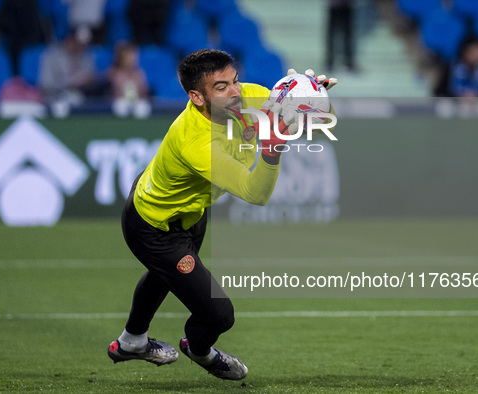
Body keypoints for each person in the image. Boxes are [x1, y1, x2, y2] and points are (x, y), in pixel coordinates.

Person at [107, 48, 337, 380]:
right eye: (221, 87)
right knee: (218, 315)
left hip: (191, 211)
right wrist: (272, 151)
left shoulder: (246, 97)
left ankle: (131, 342)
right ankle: (199, 350)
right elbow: (255, 193)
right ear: (196, 96)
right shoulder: (196, 143)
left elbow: (320, 123)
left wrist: (314, 99)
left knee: (164, 275)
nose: (235, 92)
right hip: (154, 226)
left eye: (235, 81)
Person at [108, 43, 151, 119]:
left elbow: (144, 90)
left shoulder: (139, 73)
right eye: (128, 57)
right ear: (121, 58)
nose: (132, 59)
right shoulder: (114, 72)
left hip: (137, 101)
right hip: (121, 101)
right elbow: (114, 91)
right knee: (121, 107)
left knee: (142, 108)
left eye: (133, 56)